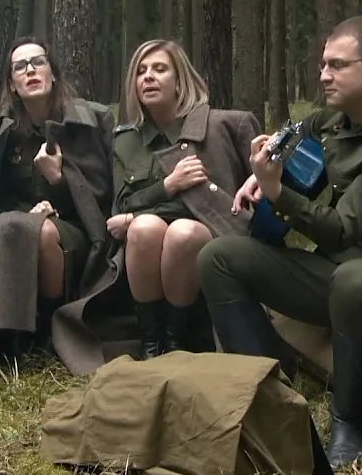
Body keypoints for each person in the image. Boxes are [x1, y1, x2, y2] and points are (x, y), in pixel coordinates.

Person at [197, 15, 362, 468]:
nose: (323, 75)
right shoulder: (338, 118)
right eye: (322, 64)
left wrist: (277, 191)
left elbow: (342, 228)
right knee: (218, 257)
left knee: (357, 281)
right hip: (341, 273)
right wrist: (269, 161)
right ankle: (268, 391)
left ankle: (352, 421)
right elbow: (299, 129)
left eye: (337, 65)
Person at [0, 37, 119, 371]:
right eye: (20, 67)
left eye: (38, 62)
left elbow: (104, 196)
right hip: (6, 232)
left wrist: (58, 182)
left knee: (42, 232)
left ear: (53, 73)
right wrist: (23, 214)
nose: (30, 70)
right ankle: (8, 339)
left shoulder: (93, 120)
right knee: (18, 226)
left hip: (77, 231)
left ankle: (49, 330)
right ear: (12, 84)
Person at [107, 40, 260, 360]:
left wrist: (135, 216)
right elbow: (124, 204)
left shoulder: (225, 126)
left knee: (182, 232)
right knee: (145, 228)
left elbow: (233, 203)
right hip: (143, 252)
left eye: (159, 69)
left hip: (212, 243)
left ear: (180, 81)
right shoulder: (126, 140)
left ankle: (178, 339)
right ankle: (152, 342)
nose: (148, 77)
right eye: (141, 71)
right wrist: (168, 186)